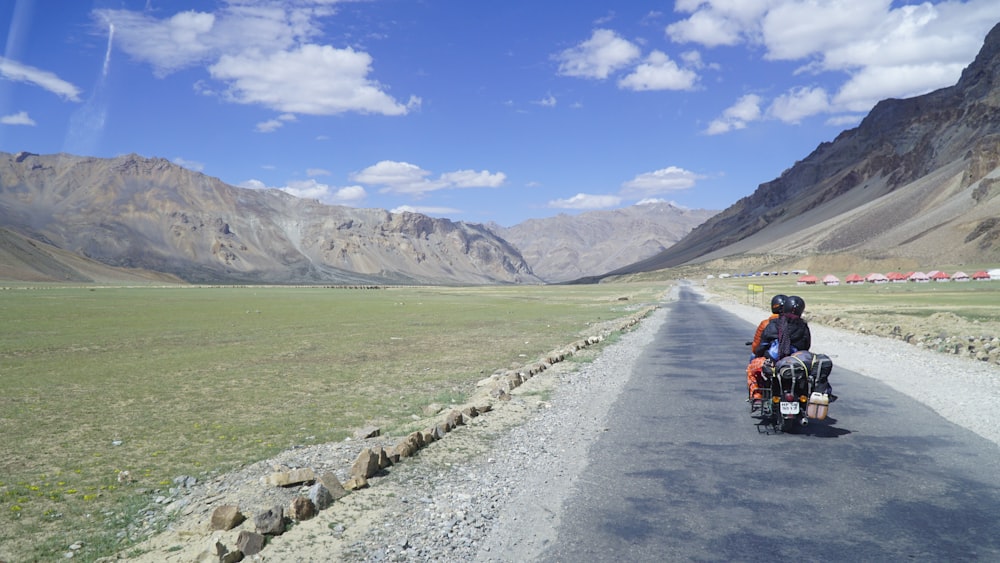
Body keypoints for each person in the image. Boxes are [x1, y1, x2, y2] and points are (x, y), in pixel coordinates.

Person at [746, 295, 786, 405]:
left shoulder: (766, 323)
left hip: (770, 359)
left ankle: (757, 395)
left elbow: (756, 347)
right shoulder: (795, 323)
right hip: (791, 359)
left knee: (751, 365)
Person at [755, 295, 811, 360]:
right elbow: (806, 347)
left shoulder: (773, 324)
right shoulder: (803, 327)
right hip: (796, 361)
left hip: (773, 360)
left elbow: (762, 345)